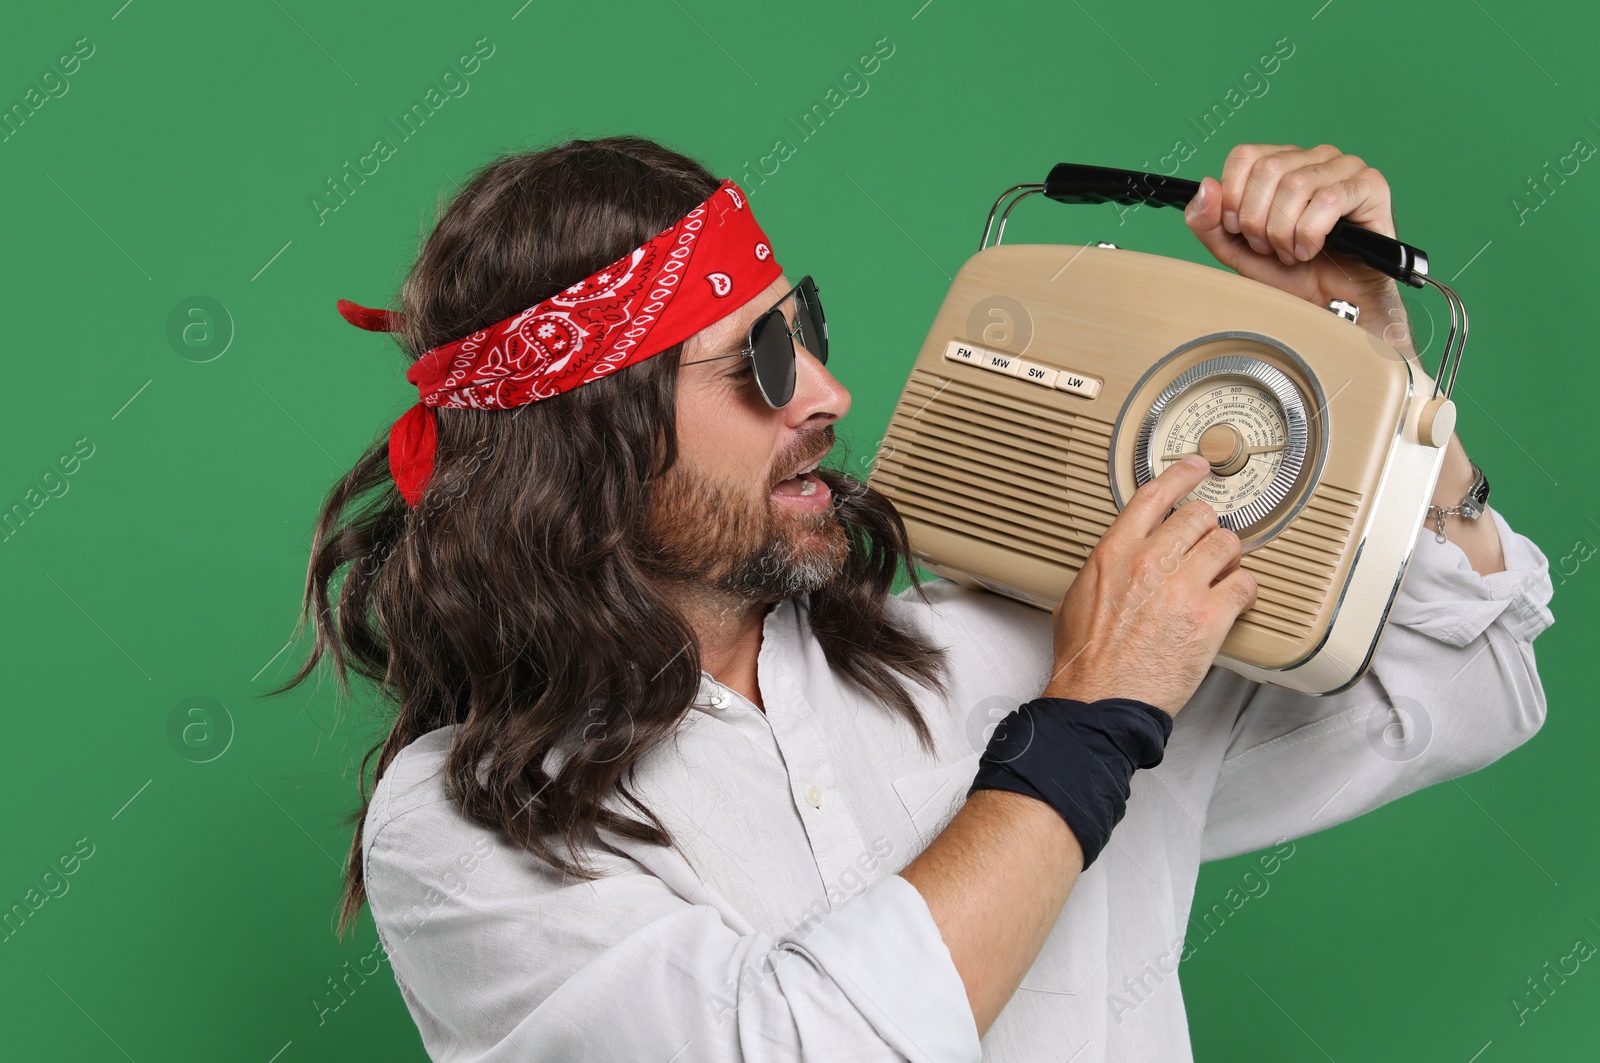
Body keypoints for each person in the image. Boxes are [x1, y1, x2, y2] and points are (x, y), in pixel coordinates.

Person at [271, 135, 1553, 1062]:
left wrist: (1367, 343)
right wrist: (1092, 722)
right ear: (587, 446)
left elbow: (1460, 687)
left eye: (807, 327)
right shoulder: (468, 825)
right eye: (756, 363)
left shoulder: (1007, 639)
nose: (824, 392)